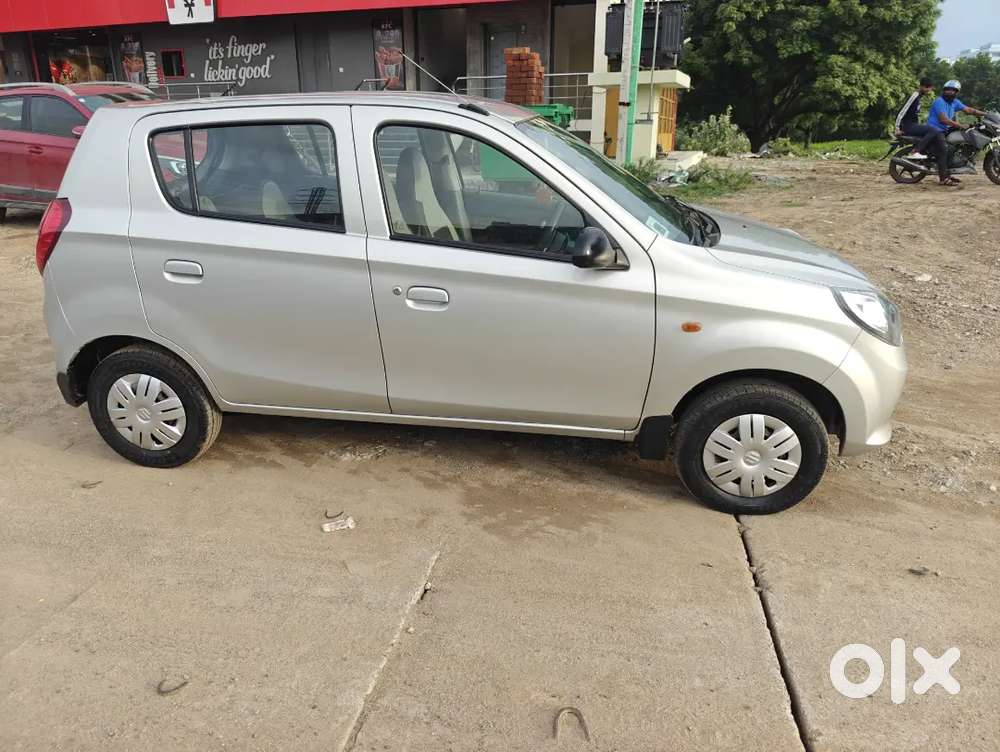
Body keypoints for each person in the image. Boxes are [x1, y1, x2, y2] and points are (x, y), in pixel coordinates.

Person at [926, 80, 988, 186]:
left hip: (945, 129)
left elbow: (968, 110)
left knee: (956, 144)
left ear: (956, 92)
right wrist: (961, 125)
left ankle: (949, 171)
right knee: (945, 149)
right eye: (947, 90)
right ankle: (943, 178)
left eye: (953, 90)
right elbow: (943, 120)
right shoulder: (939, 101)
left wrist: (986, 115)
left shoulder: (955, 102)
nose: (950, 92)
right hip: (935, 130)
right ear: (944, 90)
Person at [894, 77, 936, 161]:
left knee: (931, 132)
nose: (928, 90)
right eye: (927, 87)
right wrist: (897, 128)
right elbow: (902, 111)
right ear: (922, 86)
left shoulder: (919, 97)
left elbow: (914, 115)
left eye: (929, 88)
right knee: (933, 130)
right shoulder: (915, 95)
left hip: (912, 125)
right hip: (908, 125)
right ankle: (915, 151)